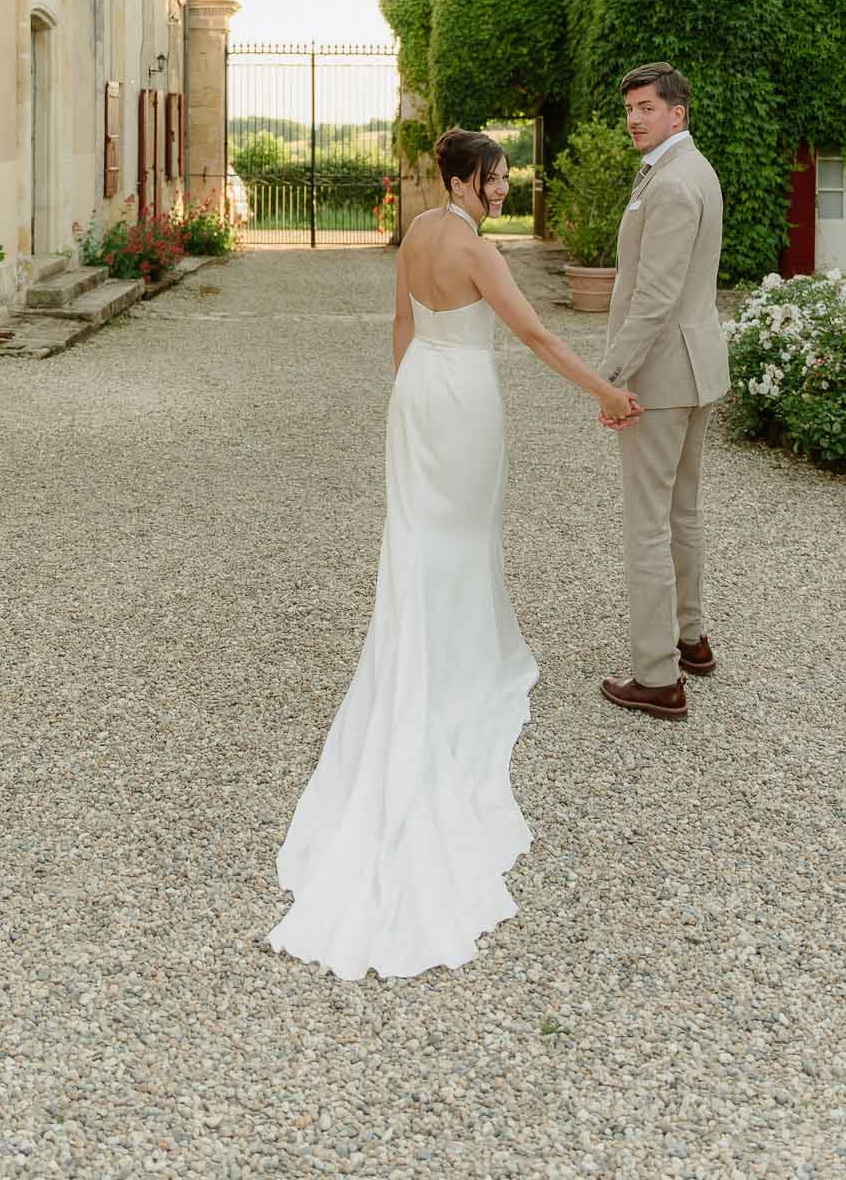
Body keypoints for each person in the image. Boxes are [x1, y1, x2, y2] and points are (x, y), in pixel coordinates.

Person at [267, 126, 642, 981]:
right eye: (501, 178)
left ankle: (434, 643)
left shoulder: (415, 234)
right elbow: (538, 339)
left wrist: (410, 402)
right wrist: (609, 394)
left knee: (424, 533)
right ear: (470, 177)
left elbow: (402, 326)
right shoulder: (472, 247)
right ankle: (463, 663)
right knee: (466, 534)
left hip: (419, 395)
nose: (507, 189)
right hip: (465, 395)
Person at [597, 62, 728, 721]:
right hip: (695, 365)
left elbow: (653, 298)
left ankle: (656, 675)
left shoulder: (673, 183)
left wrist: (609, 375)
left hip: (662, 374)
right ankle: (689, 638)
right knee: (681, 512)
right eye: (629, 109)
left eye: (646, 107)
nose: (634, 119)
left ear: (677, 113)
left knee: (649, 522)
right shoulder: (690, 169)